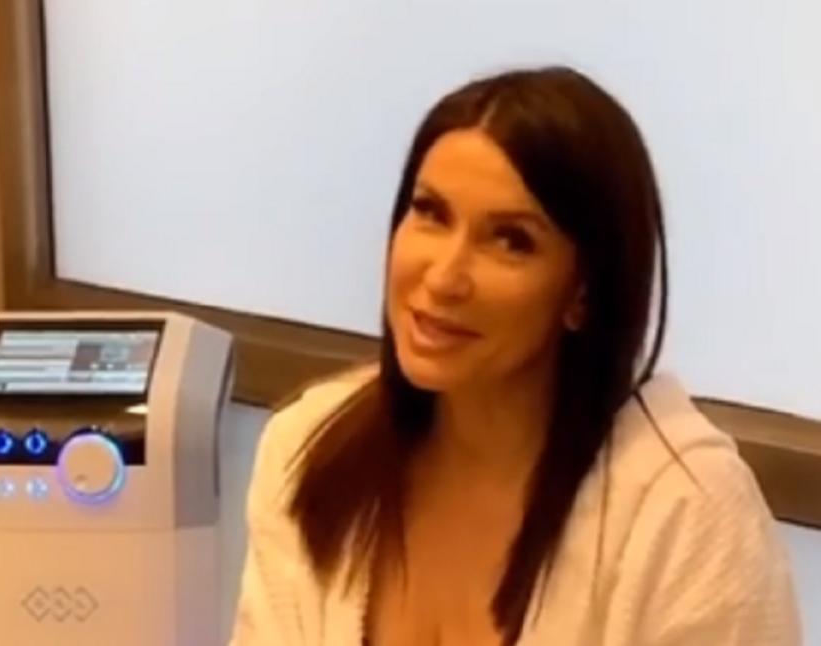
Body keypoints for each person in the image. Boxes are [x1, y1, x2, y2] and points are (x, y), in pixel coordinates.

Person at [230, 67, 802, 646]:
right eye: (430, 212)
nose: (444, 277)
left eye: (510, 240)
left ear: (582, 293)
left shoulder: (684, 512)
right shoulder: (305, 448)